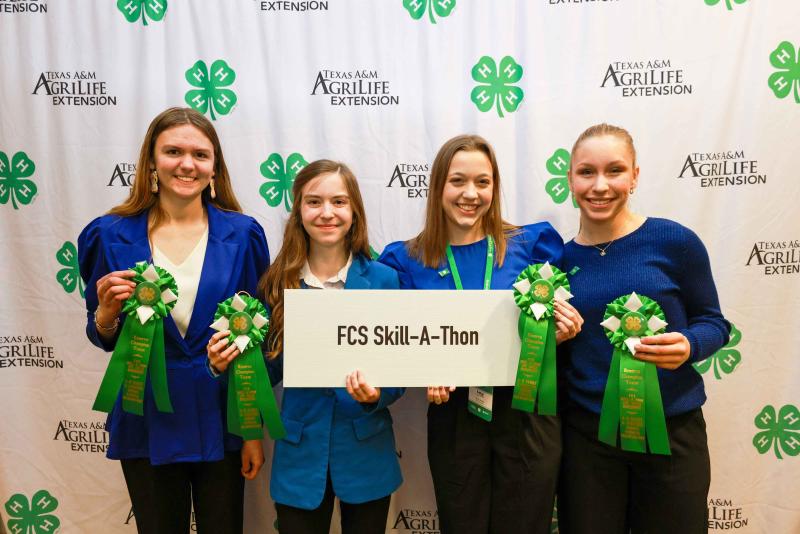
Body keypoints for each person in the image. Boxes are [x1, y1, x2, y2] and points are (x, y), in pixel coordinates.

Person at [378, 134, 583, 534]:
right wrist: (426, 367)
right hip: (454, 412)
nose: (470, 194)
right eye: (458, 181)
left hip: (527, 407)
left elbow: (544, 327)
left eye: (483, 182)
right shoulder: (404, 260)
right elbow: (398, 339)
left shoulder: (531, 245)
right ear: (437, 185)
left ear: (495, 187)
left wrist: (557, 336)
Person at [78, 107, 269, 534]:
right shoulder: (107, 235)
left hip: (220, 415)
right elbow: (102, 336)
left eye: (200, 154)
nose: (187, 163)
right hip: (145, 414)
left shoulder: (244, 235)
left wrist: (251, 428)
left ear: (215, 166)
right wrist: (106, 314)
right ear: (151, 161)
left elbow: (252, 338)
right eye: (173, 151)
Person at [557, 123, 730, 534]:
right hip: (588, 441)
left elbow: (715, 323)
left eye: (614, 170)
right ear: (570, 179)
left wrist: (689, 345)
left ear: (634, 176)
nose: (600, 185)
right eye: (586, 172)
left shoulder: (675, 241)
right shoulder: (557, 263)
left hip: (673, 433)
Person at [213, 159, 402, 534]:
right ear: (299, 211)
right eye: (314, 202)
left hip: (366, 454)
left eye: (339, 202)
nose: (327, 213)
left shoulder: (384, 279)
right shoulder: (275, 284)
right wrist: (223, 366)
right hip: (300, 459)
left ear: (354, 212)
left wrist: (376, 394)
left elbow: (399, 369)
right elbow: (263, 371)